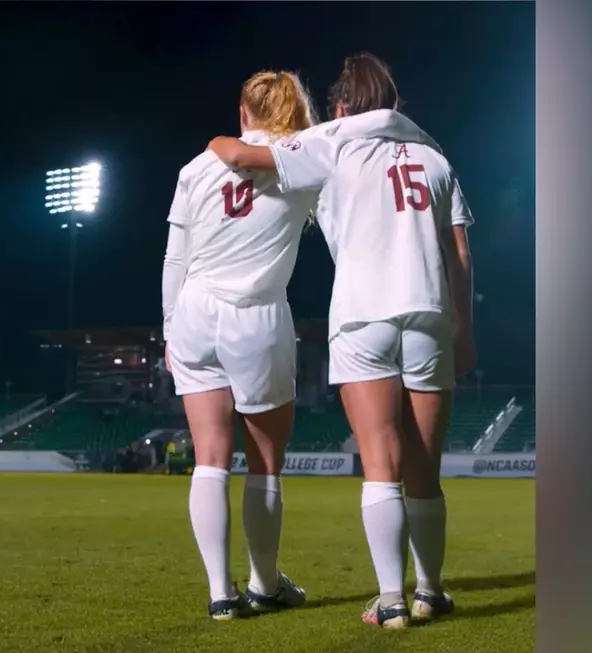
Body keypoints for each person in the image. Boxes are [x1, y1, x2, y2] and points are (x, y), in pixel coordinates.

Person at [206, 53, 477, 629]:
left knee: (381, 464)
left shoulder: (332, 141)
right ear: (396, 102)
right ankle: (430, 591)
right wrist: (464, 326)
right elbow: (459, 252)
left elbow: (243, 155)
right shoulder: (435, 155)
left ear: (341, 105)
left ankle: (392, 600)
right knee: (426, 468)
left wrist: (219, 139)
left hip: (362, 315)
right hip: (428, 313)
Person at [161, 70, 319, 621]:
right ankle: (264, 583)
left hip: (194, 311)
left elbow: (174, 259)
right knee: (265, 466)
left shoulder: (195, 168)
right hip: (257, 315)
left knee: (208, 459)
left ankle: (219, 594)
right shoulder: (305, 161)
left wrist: (168, 326)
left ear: (244, 111)